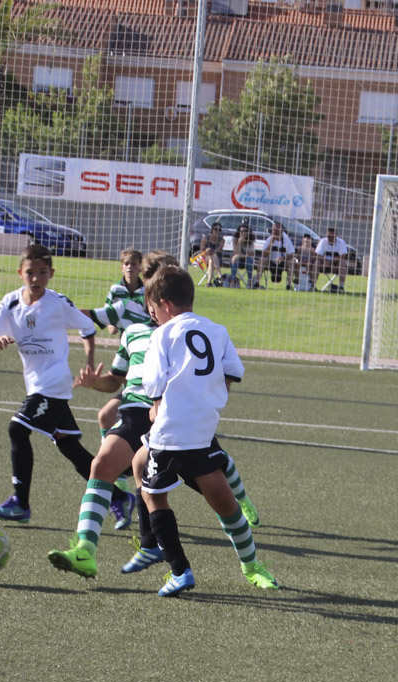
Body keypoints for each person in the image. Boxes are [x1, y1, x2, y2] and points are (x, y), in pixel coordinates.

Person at [46, 252, 264, 583]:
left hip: (176, 416)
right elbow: (117, 381)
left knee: (217, 488)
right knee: (103, 465)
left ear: (161, 299)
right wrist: (94, 383)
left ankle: (236, 546)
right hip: (139, 410)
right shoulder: (134, 332)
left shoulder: (178, 331)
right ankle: (86, 551)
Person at [132, 265, 278, 596]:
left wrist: (156, 405)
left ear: (164, 304)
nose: (153, 316)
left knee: (153, 496)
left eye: (153, 310)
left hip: (169, 435)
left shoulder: (162, 334)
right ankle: (252, 567)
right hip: (201, 431)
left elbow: (153, 383)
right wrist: (206, 395)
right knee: (226, 506)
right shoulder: (217, 330)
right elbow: (231, 372)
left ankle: (180, 570)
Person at [0, 244, 97, 524]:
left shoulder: (58, 303)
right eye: (30, 272)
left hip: (54, 384)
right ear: (20, 273)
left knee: (17, 429)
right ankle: (119, 498)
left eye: (42, 273)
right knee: (70, 448)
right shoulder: (11, 303)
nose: (36, 278)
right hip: (35, 385)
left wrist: (89, 362)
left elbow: (88, 327)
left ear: (51, 274)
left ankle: (20, 503)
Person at [82, 248, 147, 530]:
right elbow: (107, 315)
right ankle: (120, 494)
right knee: (106, 417)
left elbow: (101, 314)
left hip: (152, 386)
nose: (131, 268)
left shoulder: (146, 305)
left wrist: (61, 312)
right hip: (134, 369)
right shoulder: (118, 296)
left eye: (135, 264)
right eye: (127, 264)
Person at [254, 221, 295, 289]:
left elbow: (292, 254)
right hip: (271, 262)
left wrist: (283, 258)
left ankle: (289, 285)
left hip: (283, 263)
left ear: (281, 231)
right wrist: (271, 243)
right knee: (262, 260)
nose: (275, 232)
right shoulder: (269, 239)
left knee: (292, 261)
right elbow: (264, 254)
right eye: (274, 230)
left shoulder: (286, 239)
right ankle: (257, 282)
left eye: (277, 230)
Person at [316, 226, 350, 294]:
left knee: (342, 263)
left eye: (332, 236)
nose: (330, 238)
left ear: (336, 236)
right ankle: (313, 285)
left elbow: (343, 256)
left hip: (336, 264)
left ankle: (341, 286)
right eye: (328, 236)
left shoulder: (341, 242)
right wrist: (325, 261)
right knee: (316, 262)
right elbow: (318, 255)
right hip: (324, 264)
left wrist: (330, 261)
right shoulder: (323, 241)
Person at [225, 221, 256, 288]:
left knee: (249, 260)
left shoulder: (251, 241)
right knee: (235, 260)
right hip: (238, 260)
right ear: (239, 232)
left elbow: (251, 254)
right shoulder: (235, 239)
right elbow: (236, 253)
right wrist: (239, 242)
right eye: (241, 231)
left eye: (245, 231)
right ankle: (232, 281)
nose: (243, 233)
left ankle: (249, 281)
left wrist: (239, 255)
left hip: (247, 260)